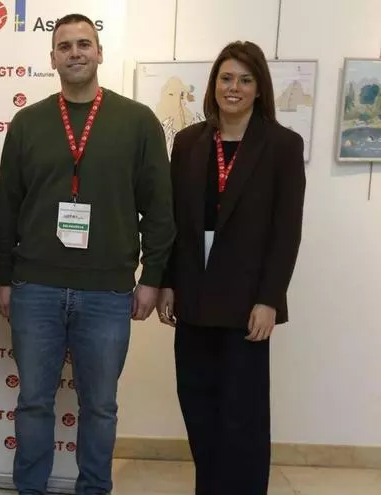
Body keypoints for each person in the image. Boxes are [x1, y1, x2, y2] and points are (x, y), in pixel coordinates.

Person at [0, 14, 175, 495]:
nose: (74, 52)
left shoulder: (137, 121)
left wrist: (152, 277)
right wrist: (3, 276)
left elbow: (160, 208)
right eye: (65, 46)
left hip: (107, 292)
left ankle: (94, 488)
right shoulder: (28, 123)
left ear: (99, 52)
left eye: (83, 44)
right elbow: (6, 206)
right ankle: (30, 488)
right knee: (34, 403)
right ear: (52, 57)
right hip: (35, 288)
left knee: (100, 407)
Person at [156, 41, 305, 495]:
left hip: (246, 304)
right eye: (225, 78)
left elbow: (286, 231)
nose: (233, 87)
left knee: (242, 417)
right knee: (197, 406)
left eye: (244, 79)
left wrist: (269, 299)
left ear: (259, 88)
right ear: (213, 84)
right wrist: (166, 283)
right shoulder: (188, 142)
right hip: (194, 298)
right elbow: (174, 220)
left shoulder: (282, 145)